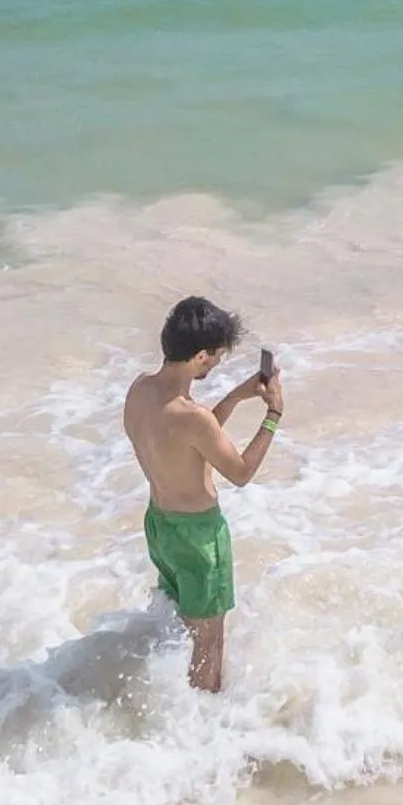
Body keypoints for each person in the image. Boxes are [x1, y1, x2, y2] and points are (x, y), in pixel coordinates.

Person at [123, 295, 283, 691]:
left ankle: (175, 708)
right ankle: (206, 727)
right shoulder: (193, 419)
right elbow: (241, 472)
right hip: (199, 537)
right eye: (214, 357)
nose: (215, 363)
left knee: (182, 628)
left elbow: (190, 438)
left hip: (160, 527)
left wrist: (236, 396)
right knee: (209, 644)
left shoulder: (140, 390)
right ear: (199, 357)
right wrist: (273, 415)